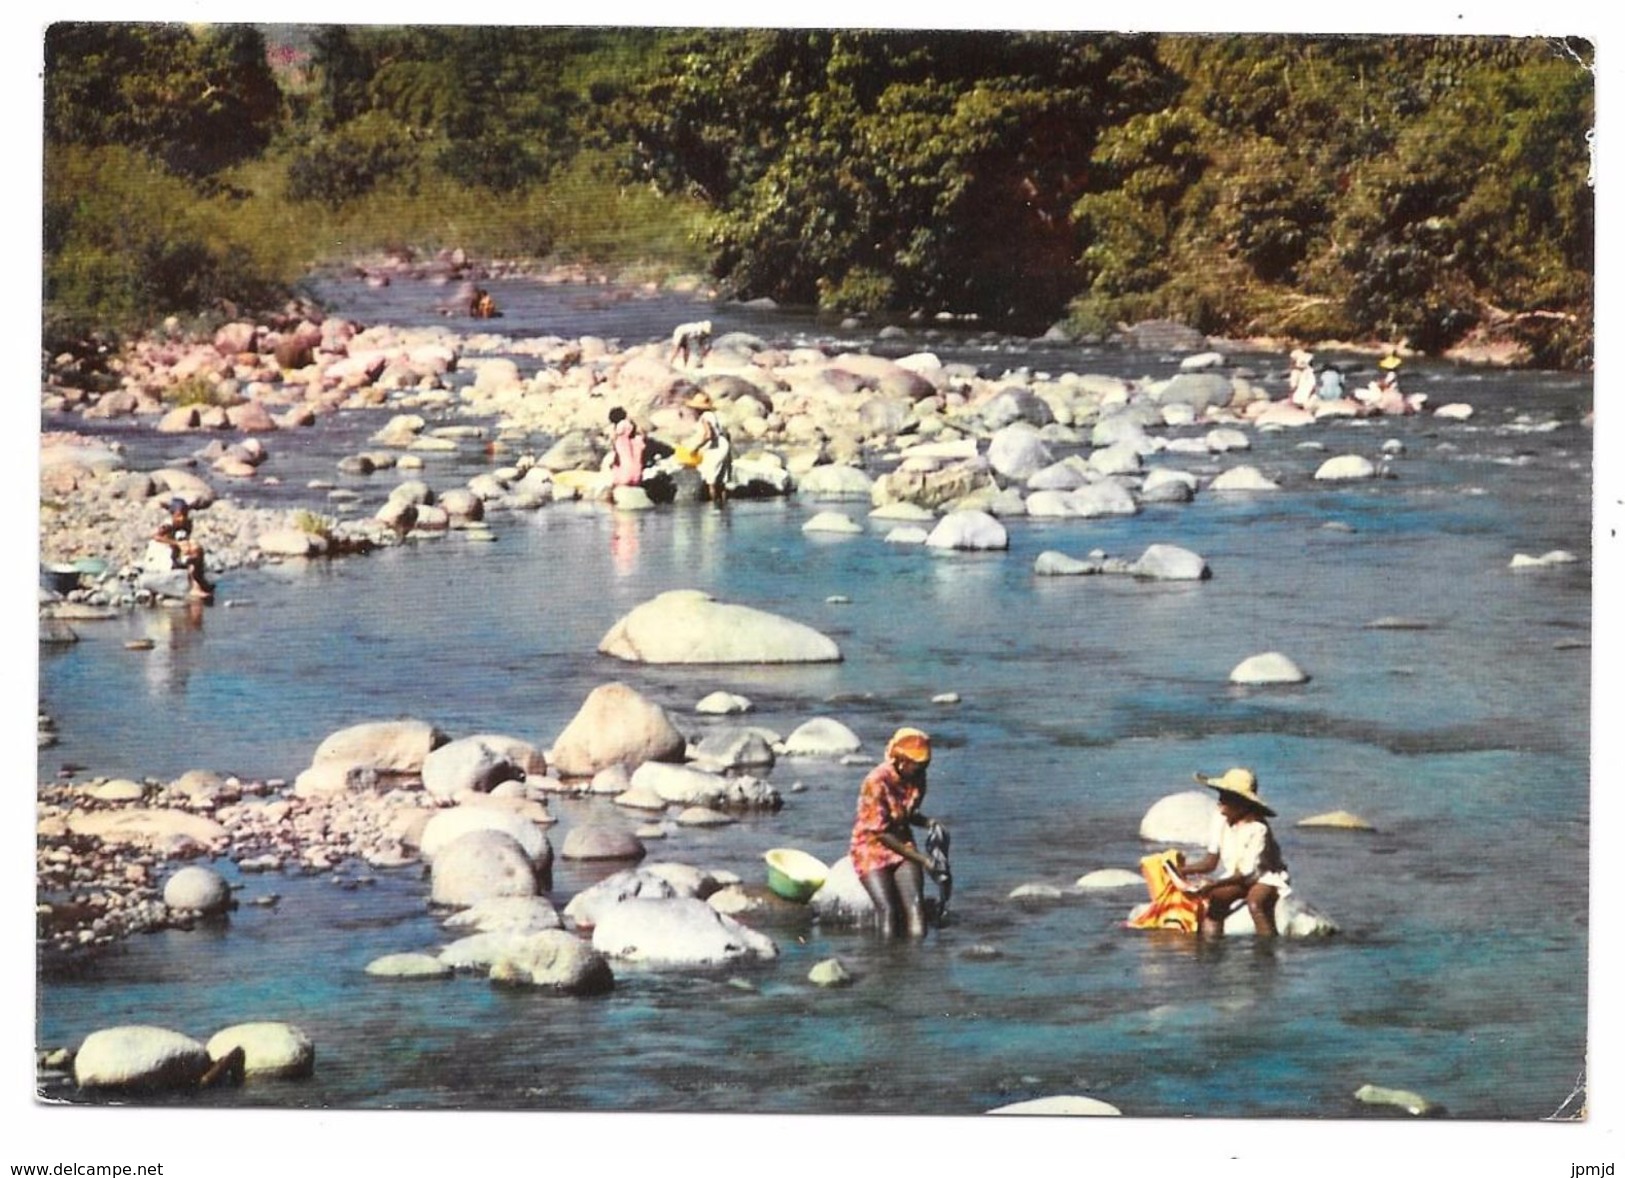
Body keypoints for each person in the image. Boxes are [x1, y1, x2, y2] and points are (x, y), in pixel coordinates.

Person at [849, 727, 947, 938]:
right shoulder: (876, 782)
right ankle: (888, 965)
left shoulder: (918, 777)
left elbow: (907, 813)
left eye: (925, 766)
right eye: (919, 766)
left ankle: (916, 963)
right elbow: (881, 832)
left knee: (915, 906)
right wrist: (923, 860)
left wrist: (929, 823)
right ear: (902, 762)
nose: (923, 771)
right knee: (889, 911)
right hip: (871, 846)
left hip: (902, 842)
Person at [1174, 767, 1290, 937]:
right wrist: (1182, 871)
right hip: (1237, 876)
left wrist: (1213, 884)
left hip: (1265, 876)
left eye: (1225, 799)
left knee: (1255, 904)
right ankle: (1212, 950)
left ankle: (1266, 954)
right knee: (1217, 901)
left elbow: (1247, 872)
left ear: (1242, 804)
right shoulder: (1219, 819)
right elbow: (1210, 862)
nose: (1219, 803)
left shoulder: (1258, 829)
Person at [153, 497, 213, 599]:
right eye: (179, 516)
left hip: (179, 555)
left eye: (184, 515)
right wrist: (176, 544)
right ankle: (195, 587)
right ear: (173, 515)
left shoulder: (187, 523)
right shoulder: (168, 525)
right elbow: (156, 537)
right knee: (194, 550)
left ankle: (199, 580)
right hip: (167, 559)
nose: (182, 518)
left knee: (197, 549)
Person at [684, 391, 732, 504]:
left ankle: (713, 508)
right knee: (722, 482)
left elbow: (709, 435)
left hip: (715, 448)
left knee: (711, 481)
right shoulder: (713, 416)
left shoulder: (704, 418)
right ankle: (724, 510)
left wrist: (696, 448)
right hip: (723, 444)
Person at [606, 407, 646, 488]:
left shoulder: (620, 439)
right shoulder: (637, 439)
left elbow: (618, 456)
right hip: (637, 476)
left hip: (624, 476)